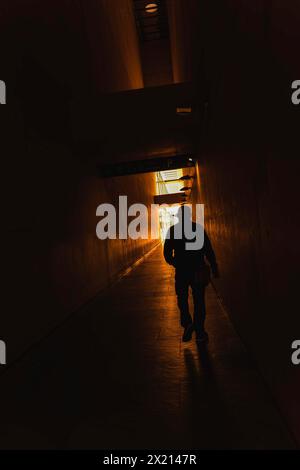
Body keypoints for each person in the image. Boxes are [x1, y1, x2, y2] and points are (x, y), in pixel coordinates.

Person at [163, 205, 219, 344]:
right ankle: (200, 332)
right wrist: (214, 267)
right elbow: (208, 250)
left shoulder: (173, 231)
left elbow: (167, 254)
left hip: (182, 272)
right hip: (198, 270)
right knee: (199, 300)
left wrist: (176, 263)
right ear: (188, 216)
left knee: (182, 298)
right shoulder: (197, 229)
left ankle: (187, 323)